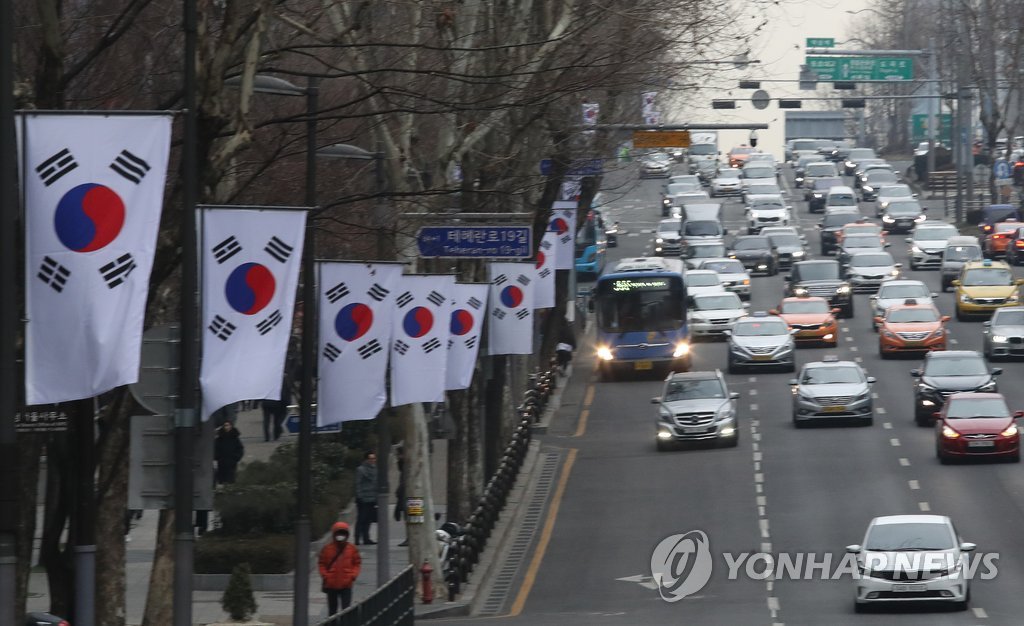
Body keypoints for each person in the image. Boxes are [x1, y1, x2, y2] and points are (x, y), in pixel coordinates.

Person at [318, 521, 361, 615]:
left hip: (346, 585)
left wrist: (352, 576)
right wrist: (326, 576)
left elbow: (357, 563)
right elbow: (321, 564)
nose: (340, 536)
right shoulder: (327, 549)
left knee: (346, 611)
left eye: (343, 533)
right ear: (334, 534)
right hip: (331, 585)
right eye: (338, 533)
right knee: (332, 611)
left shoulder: (352, 549)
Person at [354, 451, 377, 545]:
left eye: (374, 458)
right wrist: (359, 496)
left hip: (372, 498)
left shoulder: (376, 470)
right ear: (366, 459)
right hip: (363, 499)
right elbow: (357, 483)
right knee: (361, 519)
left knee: (368, 519)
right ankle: (357, 538)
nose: (372, 460)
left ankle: (366, 538)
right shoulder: (360, 469)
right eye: (370, 458)